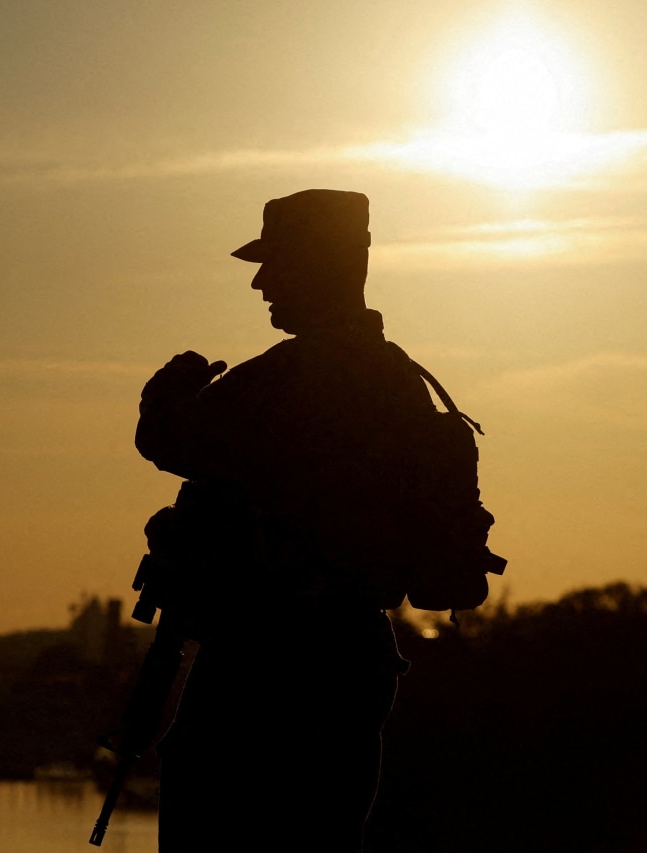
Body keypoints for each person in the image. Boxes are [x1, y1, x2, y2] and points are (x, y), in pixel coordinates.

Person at [136, 189, 478, 851]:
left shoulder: (291, 377)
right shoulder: (401, 381)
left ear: (316, 265)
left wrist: (164, 397)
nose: (262, 280)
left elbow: (171, 441)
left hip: (265, 670)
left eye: (276, 261)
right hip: (352, 660)